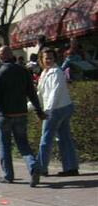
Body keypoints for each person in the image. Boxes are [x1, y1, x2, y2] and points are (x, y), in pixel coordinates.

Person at [0, 46, 46, 187]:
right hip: (21, 113)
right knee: (23, 144)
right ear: (12, 55)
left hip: (4, 115)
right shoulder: (23, 71)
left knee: (4, 146)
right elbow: (32, 93)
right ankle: (33, 167)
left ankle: (8, 175)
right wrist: (39, 111)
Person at [36, 48, 79, 177]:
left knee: (46, 139)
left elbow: (55, 93)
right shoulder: (44, 73)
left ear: (55, 59)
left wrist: (47, 112)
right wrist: (29, 106)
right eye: (46, 58)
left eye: (51, 58)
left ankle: (41, 168)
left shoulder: (56, 72)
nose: (49, 60)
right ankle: (71, 168)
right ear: (41, 59)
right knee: (64, 138)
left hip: (57, 110)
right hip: (62, 108)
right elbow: (40, 94)